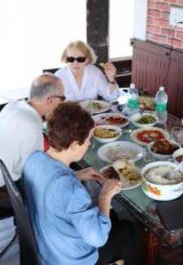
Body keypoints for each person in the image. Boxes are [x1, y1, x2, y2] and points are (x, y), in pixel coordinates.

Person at [22, 102, 136, 265]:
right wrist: (105, 196)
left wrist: (76, 175)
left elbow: (50, 187)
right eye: (88, 139)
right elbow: (98, 238)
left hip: (44, 246)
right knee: (129, 230)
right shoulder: (71, 189)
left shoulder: (34, 159)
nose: (89, 144)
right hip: (68, 258)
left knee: (114, 219)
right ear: (75, 144)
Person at [0, 73, 64, 187]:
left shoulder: (12, 105)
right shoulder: (31, 126)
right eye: (62, 98)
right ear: (50, 100)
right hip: (9, 184)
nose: (63, 102)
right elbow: (35, 173)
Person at [55, 40, 120, 101]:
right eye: (71, 59)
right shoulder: (59, 76)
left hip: (92, 113)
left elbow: (112, 97)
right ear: (65, 59)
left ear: (87, 60)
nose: (75, 63)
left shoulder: (94, 72)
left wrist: (111, 79)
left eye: (80, 59)